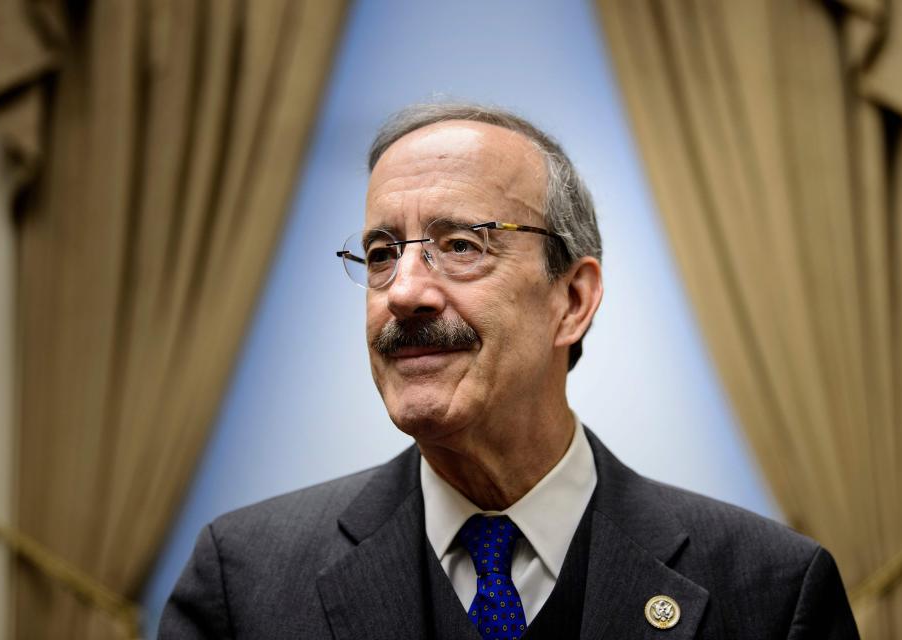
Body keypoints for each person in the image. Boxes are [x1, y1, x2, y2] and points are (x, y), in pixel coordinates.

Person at [160, 104, 859, 639]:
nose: (403, 292)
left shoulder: (771, 593)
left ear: (572, 299)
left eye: (460, 245)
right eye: (380, 255)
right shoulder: (243, 583)